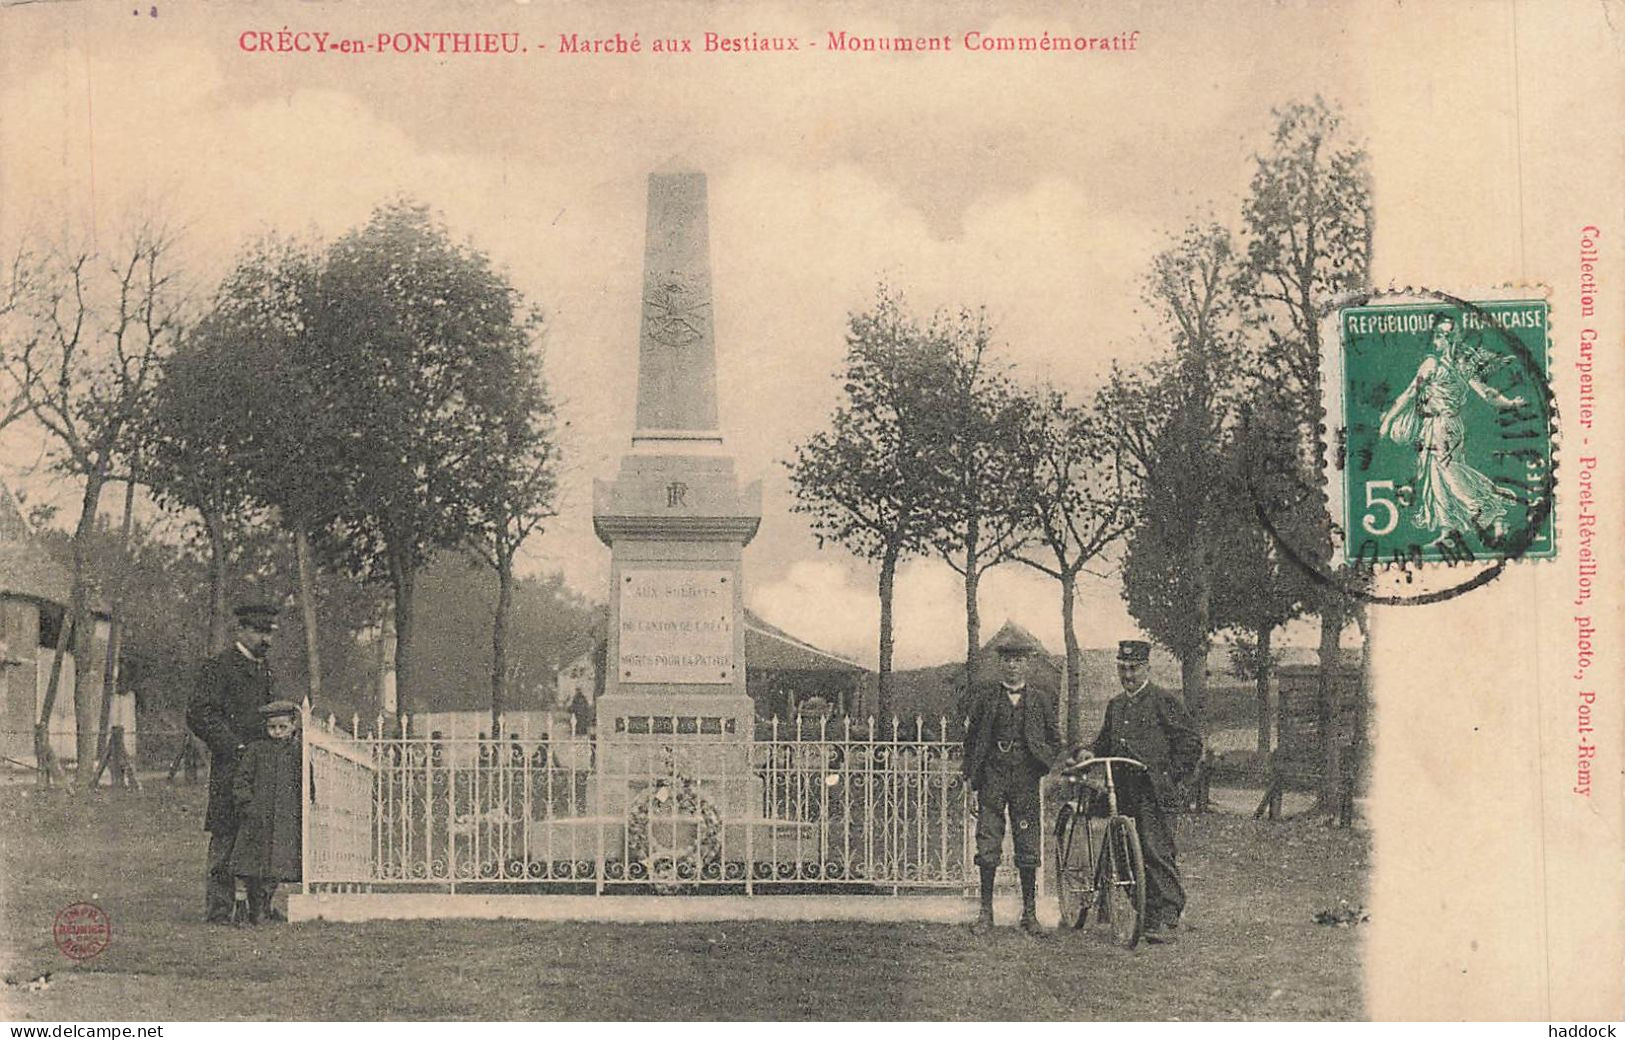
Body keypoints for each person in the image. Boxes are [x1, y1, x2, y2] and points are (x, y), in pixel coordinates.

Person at [1076, 639, 1202, 944]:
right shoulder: (1116, 705)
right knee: (1124, 854)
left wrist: (1169, 777)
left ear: (1147, 668)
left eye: (1133, 669)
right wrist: (1088, 752)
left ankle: (1168, 916)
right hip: (1121, 790)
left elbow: (1190, 744)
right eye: (1123, 669)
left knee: (1155, 851)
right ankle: (1146, 912)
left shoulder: (1163, 701)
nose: (1128, 675)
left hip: (1153, 791)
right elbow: (1104, 742)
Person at [1378, 314, 1527, 539]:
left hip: (1440, 425)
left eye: (1441, 335)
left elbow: (1409, 394)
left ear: (1448, 339)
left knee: (1448, 472)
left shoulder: (1432, 364)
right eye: (1438, 334)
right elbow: (1488, 394)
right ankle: (1447, 530)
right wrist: (1510, 403)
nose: (1437, 340)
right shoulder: (1462, 366)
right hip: (1447, 425)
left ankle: (1487, 506)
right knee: (1436, 475)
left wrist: (1388, 420)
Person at [961, 625, 1064, 936]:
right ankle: (985, 913)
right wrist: (971, 776)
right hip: (992, 775)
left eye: (1018, 660)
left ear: (1027, 664)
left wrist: (1041, 763)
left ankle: (1030, 914)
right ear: (1000, 664)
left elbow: (1054, 739)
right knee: (988, 840)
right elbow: (972, 739)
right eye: (1007, 660)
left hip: (1025, 776)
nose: (1012, 665)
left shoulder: (1041, 700)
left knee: (1027, 840)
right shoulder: (985, 698)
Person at [186, 601, 279, 924]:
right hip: (232, 764)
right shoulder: (219, 666)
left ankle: (259, 906)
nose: (265, 639)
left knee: (261, 833)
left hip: (263, 767)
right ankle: (220, 909)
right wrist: (233, 745)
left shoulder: (265, 670)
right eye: (258, 631)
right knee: (226, 835)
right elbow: (199, 713)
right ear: (240, 630)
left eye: (269, 633)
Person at [230, 700, 303, 924]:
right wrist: (247, 805)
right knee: (249, 864)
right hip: (257, 816)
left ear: (293, 726)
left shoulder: (296, 753)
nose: (277, 732)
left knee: (277, 865)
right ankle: (244, 907)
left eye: (283, 727)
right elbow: (241, 780)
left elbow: (305, 782)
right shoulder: (256, 750)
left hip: (283, 818)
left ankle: (264, 907)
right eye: (272, 727)